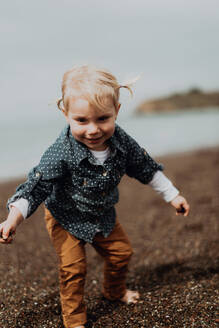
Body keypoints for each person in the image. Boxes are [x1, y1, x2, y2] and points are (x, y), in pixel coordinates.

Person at [0, 65, 190, 328]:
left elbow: (144, 167)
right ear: (65, 114)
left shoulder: (122, 143)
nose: (93, 130)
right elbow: (35, 187)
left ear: (117, 111)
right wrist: (13, 218)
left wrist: (173, 194)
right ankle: (75, 320)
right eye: (81, 121)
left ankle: (113, 291)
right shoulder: (60, 152)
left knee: (122, 253)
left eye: (102, 119)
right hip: (65, 217)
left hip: (102, 214)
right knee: (73, 270)